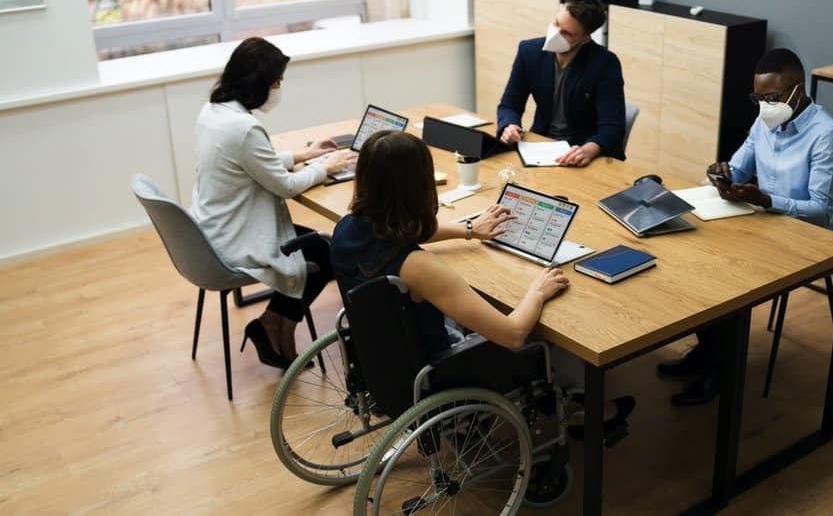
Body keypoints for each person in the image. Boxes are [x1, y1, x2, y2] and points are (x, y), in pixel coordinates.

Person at [331, 130, 634, 430]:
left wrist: (469, 228)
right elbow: (513, 334)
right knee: (550, 329)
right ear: (418, 186)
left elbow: (401, 232)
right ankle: (581, 405)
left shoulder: (346, 229)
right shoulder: (419, 266)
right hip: (441, 370)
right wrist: (537, 293)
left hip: (388, 362)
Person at [658, 48, 833, 406]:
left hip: (801, 237)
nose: (764, 106)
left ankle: (721, 369)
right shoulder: (766, 121)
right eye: (758, 98)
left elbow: (822, 211)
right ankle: (707, 352)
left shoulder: (827, 135)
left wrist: (766, 201)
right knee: (691, 258)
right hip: (758, 224)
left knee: (722, 278)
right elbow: (739, 168)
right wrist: (722, 175)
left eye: (772, 97)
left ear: (798, 89)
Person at [191, 37, 358, 370]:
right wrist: (324, 167)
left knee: (317, 249)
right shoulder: (244, 128)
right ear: (258, 85)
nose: (279, 88)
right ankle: (274, 324)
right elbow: (285, 187)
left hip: (212, 229)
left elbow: (250, 161)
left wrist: (303, 155)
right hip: (236, 237)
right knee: (327, 254)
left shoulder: (214, 112)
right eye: (276, 82)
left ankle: (275, 326)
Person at [496, 0, 626, 167]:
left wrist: (590, 148)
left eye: (567, 34)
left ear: (585, 38)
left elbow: (613, 126)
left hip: (580, 151)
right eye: (556, 24)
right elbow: (509, 105)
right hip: (540, 146)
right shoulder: (529, 52)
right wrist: (509, 126)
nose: (555, 34)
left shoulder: (605, 64)